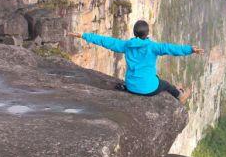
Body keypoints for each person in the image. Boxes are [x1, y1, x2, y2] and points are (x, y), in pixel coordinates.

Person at [67, 20, 203, 104]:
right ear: (147, 33)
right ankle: (180, 95)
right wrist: (190, 49)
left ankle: (176, 90)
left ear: (134, 33)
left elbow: (105, 41)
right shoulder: (153, 47)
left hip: (131, 87)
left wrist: (84, 35)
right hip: (148, 89)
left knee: (154, 78)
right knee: (165, 84)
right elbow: (172, 49)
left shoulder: (126, 45)